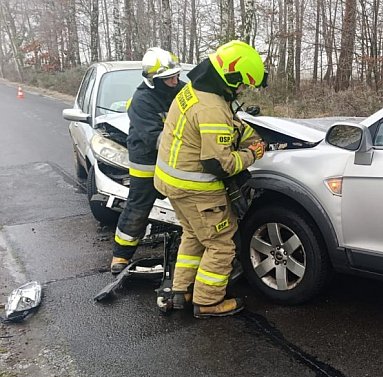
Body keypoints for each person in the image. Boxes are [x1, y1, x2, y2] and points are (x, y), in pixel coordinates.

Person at [153, 40, 267, 318]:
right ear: (230, 76)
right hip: (198, 189)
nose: (241, 91)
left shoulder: (193, 90)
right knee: (220, 245)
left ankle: (181, 290)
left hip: (173, 183)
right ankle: (208, 301)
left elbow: (226, 123)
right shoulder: (211, 107)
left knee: (193, 235)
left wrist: (246, 133)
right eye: (241, 85)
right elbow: (219, 163)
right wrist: (252, 154)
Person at [110, 47, 186, 274]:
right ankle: (120, 256)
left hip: (175, 162)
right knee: (138, 207)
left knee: (185, 203)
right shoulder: (141, 101)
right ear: (154, 80)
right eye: (168, 78)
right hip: (147, 162)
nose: (174, 81)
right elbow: (157, 138)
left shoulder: (182, 91)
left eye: (176, 76)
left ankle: (187, 249)